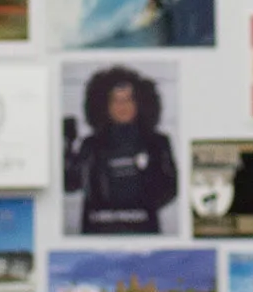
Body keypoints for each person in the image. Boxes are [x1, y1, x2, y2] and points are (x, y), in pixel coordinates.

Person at [62, 65, 177, 235]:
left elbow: (170, 187)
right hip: (98, 233)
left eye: (129, 99)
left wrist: (139, 207)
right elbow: (70, 183)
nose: (122, 106)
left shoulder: (157, 143)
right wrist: (67, 143)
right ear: (104, 105)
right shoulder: (91, 145)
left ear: (140, 103)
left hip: (142, 233)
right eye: (115, 100)